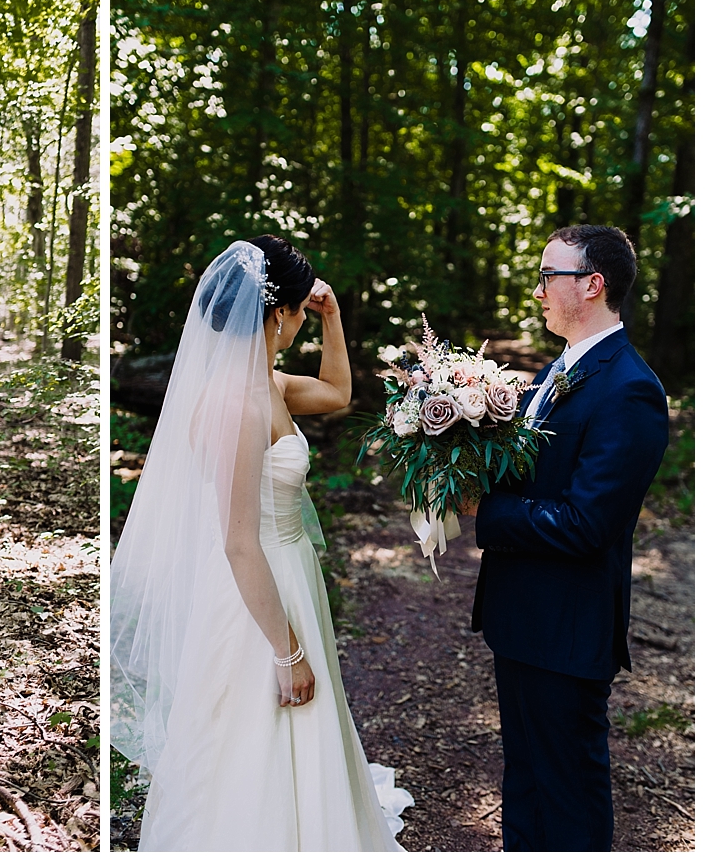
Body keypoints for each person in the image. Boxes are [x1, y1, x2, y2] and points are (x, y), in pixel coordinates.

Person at [111, 236, 413, 851]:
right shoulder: (235, 407)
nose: (303, 318)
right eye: (302, 309)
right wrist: (286, 652)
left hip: (290, 574)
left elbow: (337, 394)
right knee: (252, 730)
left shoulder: (267, 386)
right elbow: (238, 543)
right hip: (256, 593)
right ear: (278, 315)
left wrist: (333, 320)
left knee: (301, 730)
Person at [462, 226, 668, 851]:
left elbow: (587, 524)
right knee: (524, 780)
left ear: (592, 284)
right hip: (521, 616)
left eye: (549, 275)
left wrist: (485, 508)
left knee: (569, 789)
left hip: (566, 629)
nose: (539, 290)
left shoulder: (629, 388)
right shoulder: (559, 369)